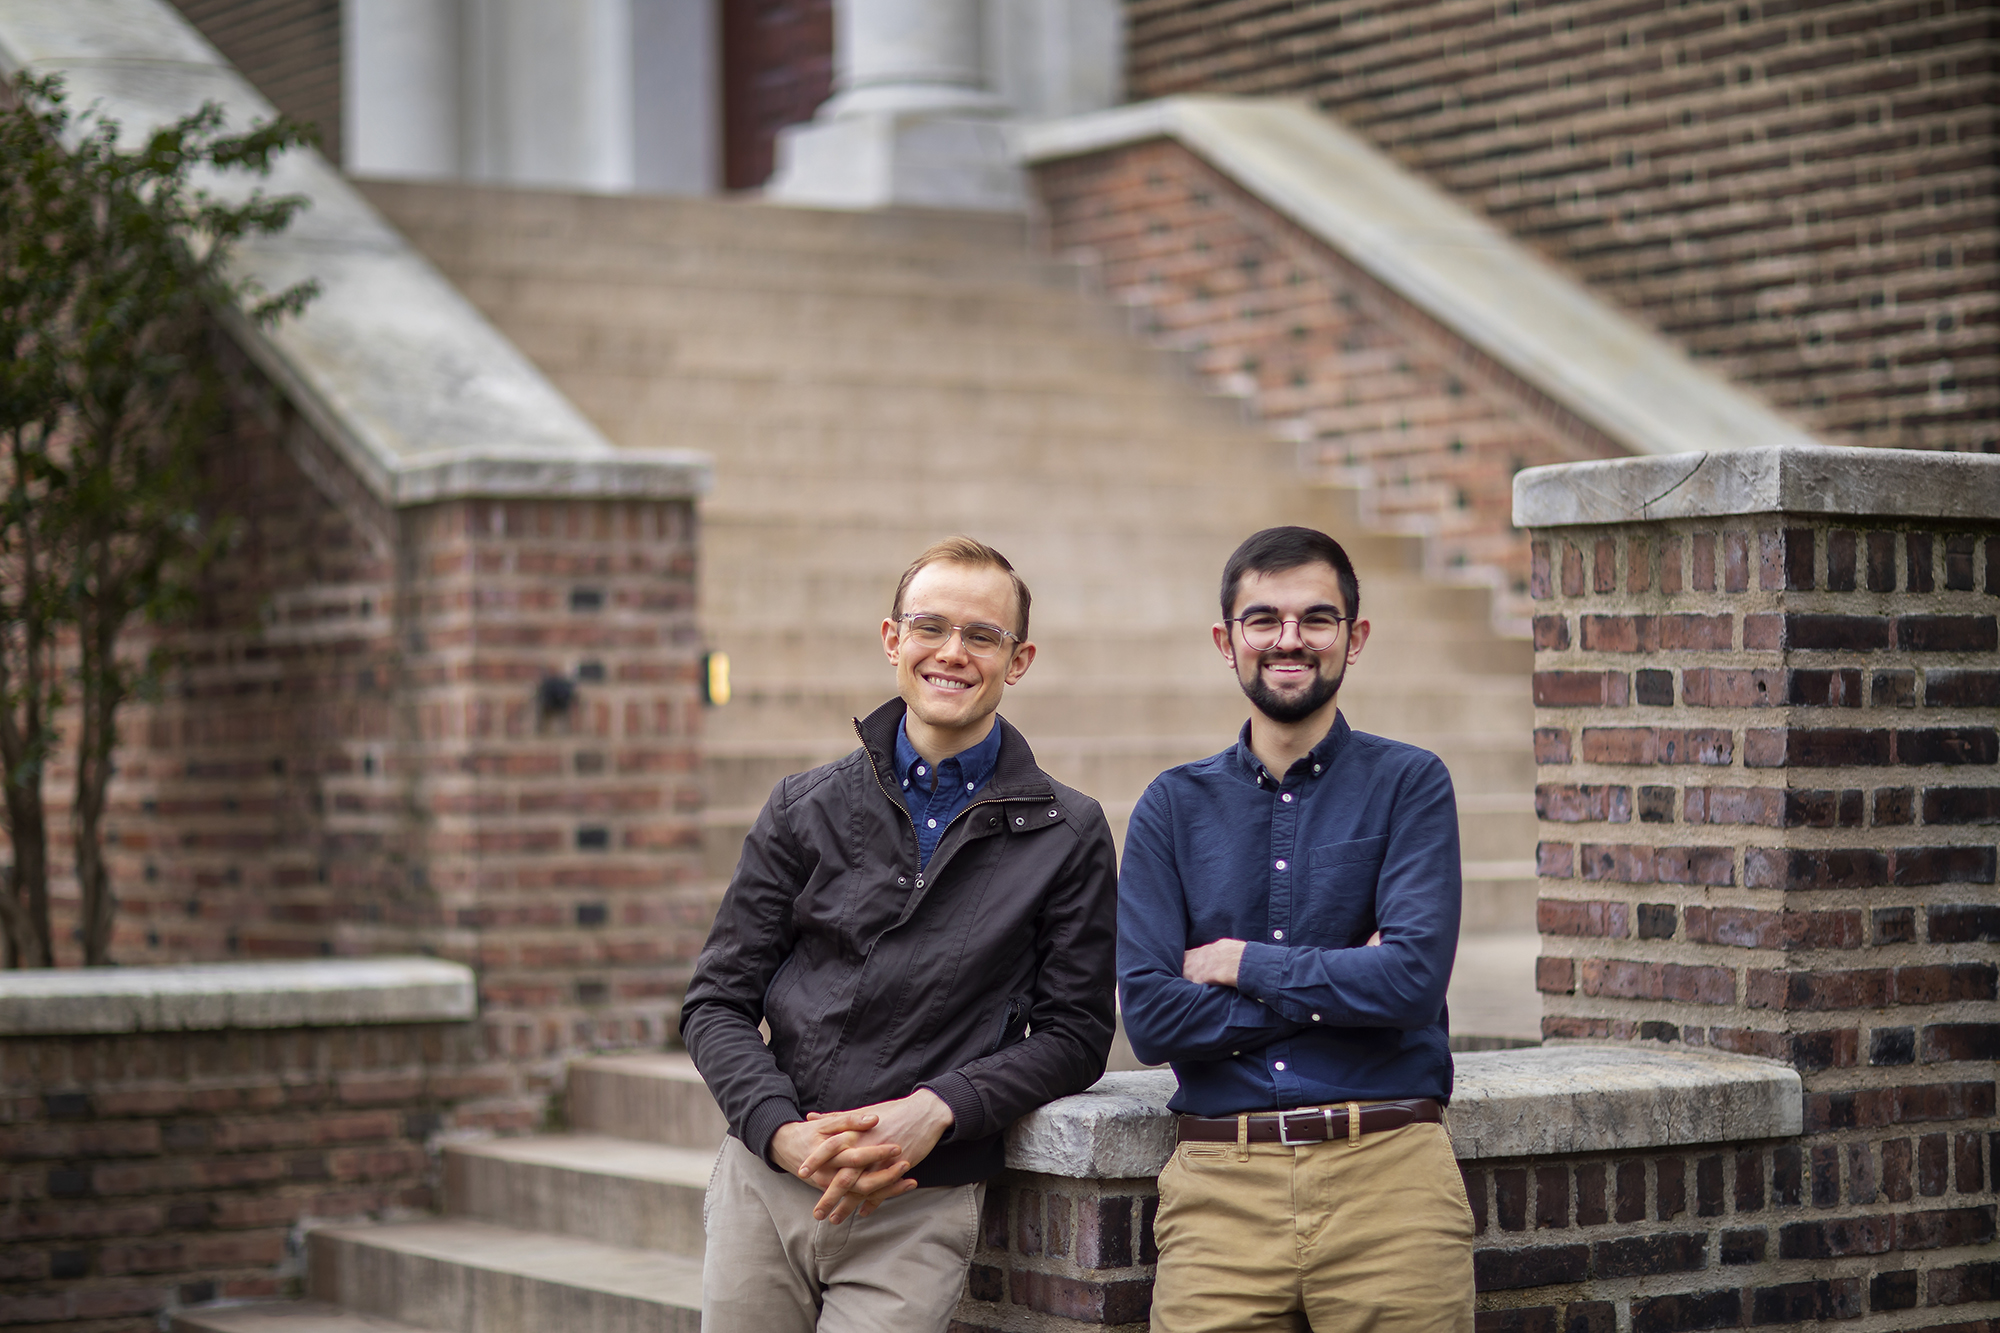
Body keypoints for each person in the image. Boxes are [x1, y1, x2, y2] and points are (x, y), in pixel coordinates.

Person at [681, 535, 1119, 1333]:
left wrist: (937, 1109)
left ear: (1017, 660)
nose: (953, 652)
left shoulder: (1069, 831)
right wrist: (780, 1131)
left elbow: (1077, 1032)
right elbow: (715, 1000)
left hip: (918, 1207)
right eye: (930, 626)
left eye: (982, 635)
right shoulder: (800, 805)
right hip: (763, 1185)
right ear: (893, 640)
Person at [1119, 525, 1475, 1332]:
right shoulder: (1171, 808)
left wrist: (1241, 962)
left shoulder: (1410, 784)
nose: (1291, 639)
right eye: (1264, 619)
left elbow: (1412, 982)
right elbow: (1150, 1017)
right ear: (1226, 639)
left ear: (1356, 636)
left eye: (1317, 618)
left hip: (1390, 1175)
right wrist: (1353, 980)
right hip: (1220, 1187)